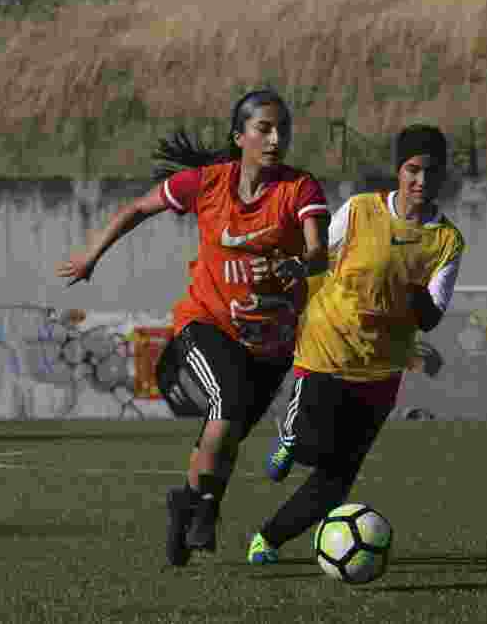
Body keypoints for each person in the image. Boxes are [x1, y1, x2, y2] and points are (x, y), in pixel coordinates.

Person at [55, 90, 330, 567]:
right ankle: (203, 508)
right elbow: (138, 209)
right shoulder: (204, 184)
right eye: (264, 128)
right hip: (206, 322)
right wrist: (91, 255)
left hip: (271, 343)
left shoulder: (300, 189)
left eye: (282, 128)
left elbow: (318, 253)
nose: (275, 138)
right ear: (239, 136)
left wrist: (292, 265)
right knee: (227, 404)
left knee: (225, 436)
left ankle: (188, 501)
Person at [246, 124, 465, 564]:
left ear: (443, 176)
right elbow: (318, 254)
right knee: (311, 446)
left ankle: (267, 539)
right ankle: (290, 438)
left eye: (432, 172)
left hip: (381, 371)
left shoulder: (447, 241)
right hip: (327, 348)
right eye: (412, 169)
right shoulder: (362, 210)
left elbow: (431, 317)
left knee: (338, 477)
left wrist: (410, 286)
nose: (421, 181)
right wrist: (289, 272)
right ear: (399, 171)